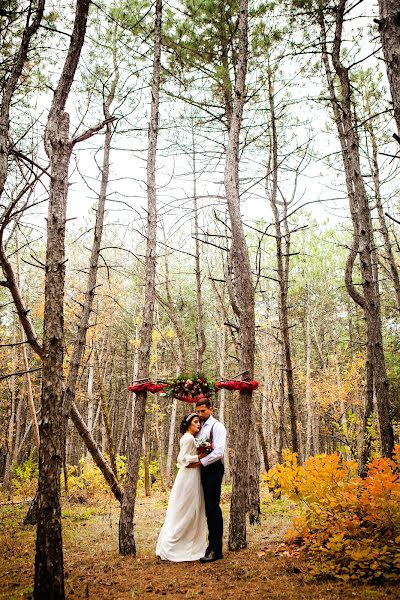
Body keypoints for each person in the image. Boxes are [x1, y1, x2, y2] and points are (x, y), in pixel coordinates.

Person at [156, 413, 207, 562]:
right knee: (187, 509)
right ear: (188, 424)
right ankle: (177, 545)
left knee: (189, 508)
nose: (199, 424)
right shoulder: (188, 438)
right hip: (188, 477)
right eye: (196, 422)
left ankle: (190, 542)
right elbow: (182, 459)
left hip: (191, 474)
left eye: (199, 422)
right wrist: (201, 456)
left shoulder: (189, 438)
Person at [187, 398, 226, 563]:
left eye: (203, 411)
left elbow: (219, 452)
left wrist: (200, 462)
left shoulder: (217, 427)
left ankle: (215, 549)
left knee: (212, 508)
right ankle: (201, 544)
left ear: (211, 409)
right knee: (201, 506)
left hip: (213, 470)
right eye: (198, 411)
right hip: (199, 470)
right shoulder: (198, 426)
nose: (201, 414)